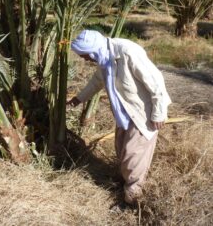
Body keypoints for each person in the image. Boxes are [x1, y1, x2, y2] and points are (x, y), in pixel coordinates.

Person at [67, 30, 171, 205]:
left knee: (133, 158)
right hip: (124, 114)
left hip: (142, 114)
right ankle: (127, 185)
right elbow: (97, 81)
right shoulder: (104, 56)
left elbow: (156, 81)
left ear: (92, 50)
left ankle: (133, 200)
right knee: (123, 153)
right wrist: (77, 100)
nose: (85, 60)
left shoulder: (126, 51)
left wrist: (159, 112)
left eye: (85, 55)